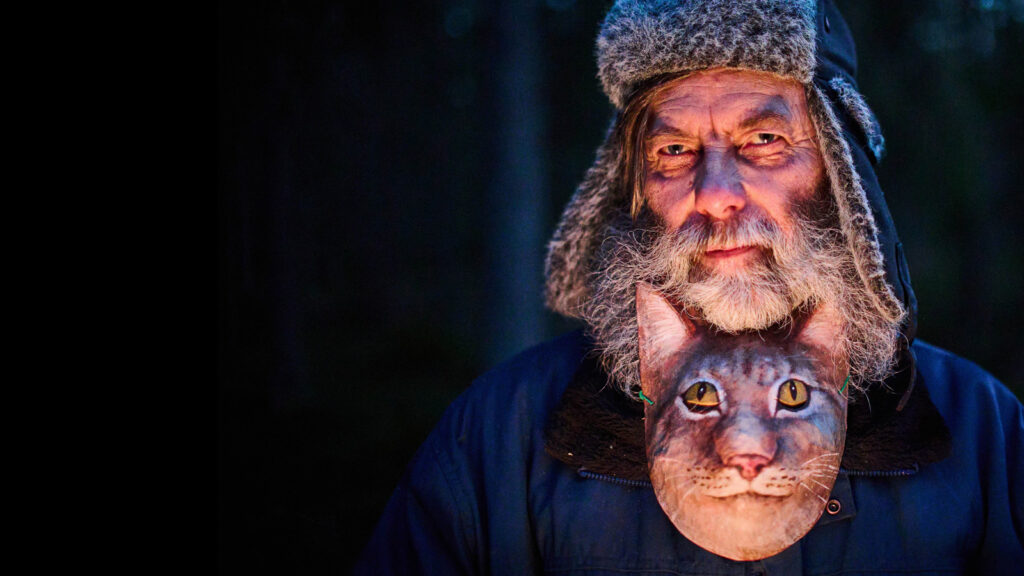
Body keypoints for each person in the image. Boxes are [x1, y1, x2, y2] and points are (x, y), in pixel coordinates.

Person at [356, 0, 1024, 573]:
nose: (715, 195)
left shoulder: (981, 433)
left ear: (843, 178)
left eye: (763, 140)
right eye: (674, 152)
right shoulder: (505, 436)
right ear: (636, 187)